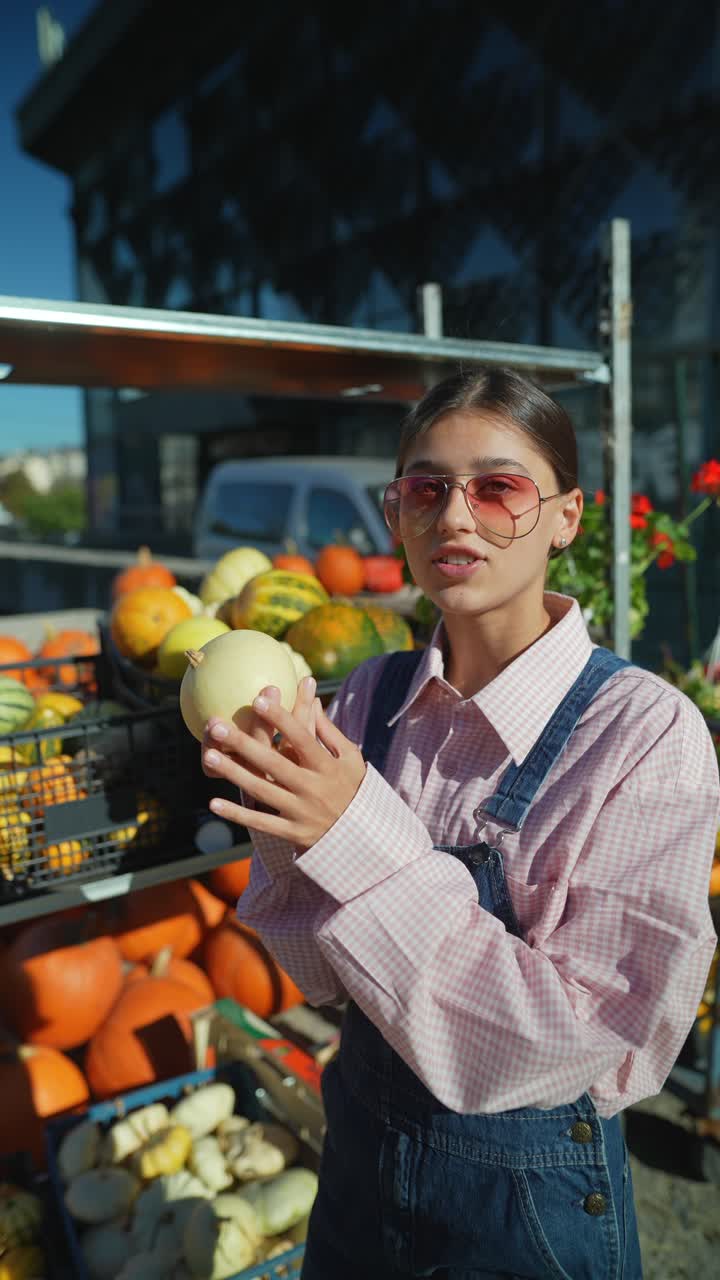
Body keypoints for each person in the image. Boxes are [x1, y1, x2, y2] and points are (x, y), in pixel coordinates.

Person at [200, 367, 720, 1280]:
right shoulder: (366, 697)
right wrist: (286, 823)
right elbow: (321, 978)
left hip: (525, 1217)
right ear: (397, 516)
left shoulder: (644, 734)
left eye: (499, 486)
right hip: (357, 1168)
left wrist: (356, 831)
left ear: (566, 517)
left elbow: (582, 1045)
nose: (456, 515)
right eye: (426, 489)